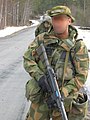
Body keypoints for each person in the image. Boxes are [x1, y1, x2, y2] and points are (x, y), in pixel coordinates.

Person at [23, 5, 89, 120]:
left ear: (69, 20)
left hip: (64, 100)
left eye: (61, 19)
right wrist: (39, 77)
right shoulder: (42, 39)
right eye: (54, 19)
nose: (57, 23)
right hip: (41, 98)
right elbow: (27, 59)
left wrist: (64, 91)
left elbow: (82, 76)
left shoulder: (77, 46)